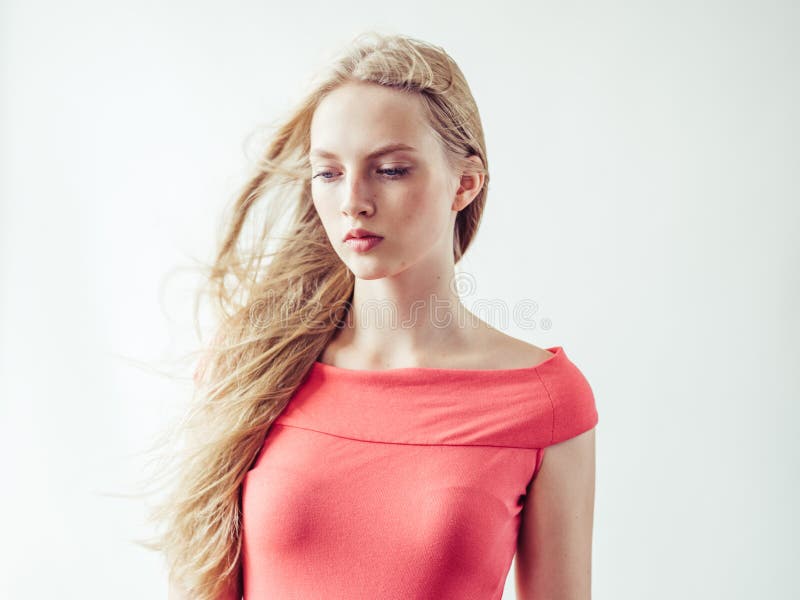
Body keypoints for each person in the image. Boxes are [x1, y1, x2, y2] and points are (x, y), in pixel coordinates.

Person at [144, 31, 599, 600]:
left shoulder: (544, 401)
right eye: (329, 172)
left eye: (390, 170)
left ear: (464, 183)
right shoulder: (251, 368)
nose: (352, 201)